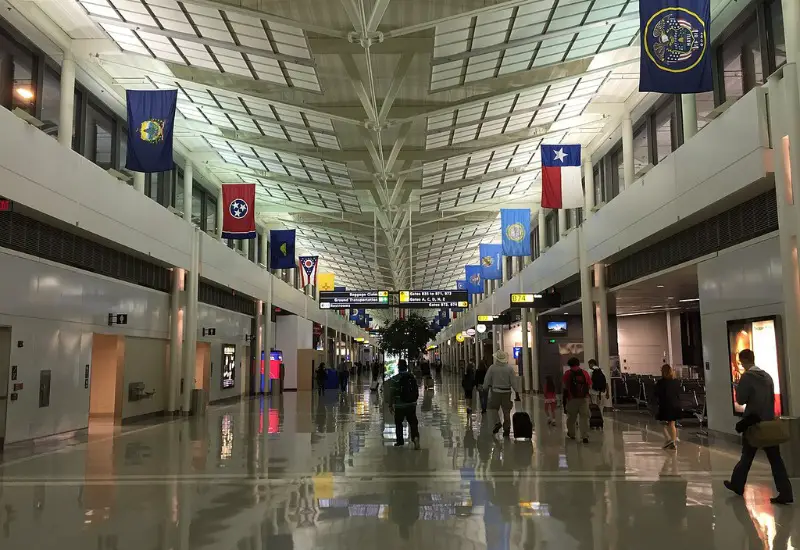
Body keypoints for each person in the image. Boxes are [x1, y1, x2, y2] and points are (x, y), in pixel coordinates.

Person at [724, 349, 793, 504]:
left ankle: (737, 484)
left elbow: (741, 400)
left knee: (747, 456)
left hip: (753, 424)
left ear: (743, 361)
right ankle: (786, 491)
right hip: (768, 424)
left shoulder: (747, 377)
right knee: (776, 460)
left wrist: (737, 387)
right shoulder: (767, 376)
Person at [483, 350, 520, 438]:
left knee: (492, 408)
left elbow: (487, 380)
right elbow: (514, 382)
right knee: (506, 411)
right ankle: (506, 428)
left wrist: (485, 387)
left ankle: (497, 422)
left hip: (495, 391)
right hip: (507, 392)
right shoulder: (509, 368)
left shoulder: (492, 368)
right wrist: (517, 391)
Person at [387, 359, 421, 449]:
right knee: (413, 423)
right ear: (406, 367)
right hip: (411, 404)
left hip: (400, 405)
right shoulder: (412, 376)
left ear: (398, 367)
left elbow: (392, 393)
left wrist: (390, 405)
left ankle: (400, 441)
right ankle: (415, 438)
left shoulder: (395, 378)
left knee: (398, 423)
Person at [562, 357, 592, 443]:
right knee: (584, 417)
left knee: (572, 417)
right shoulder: (585, 373)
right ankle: (584, 436)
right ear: (578, 363)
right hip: (584, 398)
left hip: (572, 399)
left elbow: (565, 387)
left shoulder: (567, 374)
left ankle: (572, 434)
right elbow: (589, 385)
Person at [654, 364, 682, 449]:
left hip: (665, 405)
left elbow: (657, 394)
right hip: (676, 405)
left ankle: (668, 439)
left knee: (660, 422)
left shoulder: (660, 382)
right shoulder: (676, 382)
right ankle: (672, 443)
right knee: (672, 424)